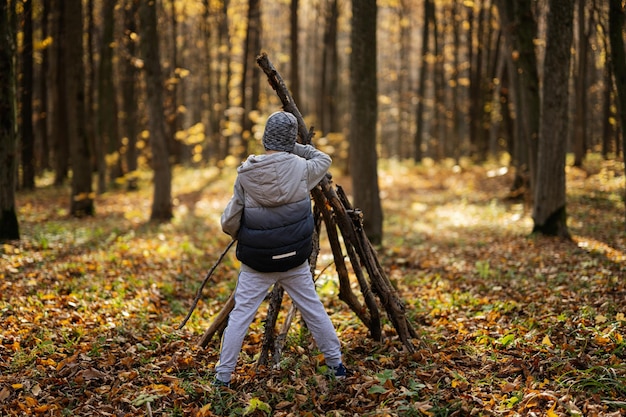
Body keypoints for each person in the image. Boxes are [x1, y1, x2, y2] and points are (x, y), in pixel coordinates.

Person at [213, 111, 347, 388]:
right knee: (313, 309)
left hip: (257, 261)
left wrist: (241, 233)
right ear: (290, 141)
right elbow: (324, 159)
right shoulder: (302, 170)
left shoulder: (246, 174)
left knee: (241, 316)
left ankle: (222, 378)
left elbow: (229, 220)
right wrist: (293, 147)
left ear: (265, 139)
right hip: (294, 260)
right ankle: (336, 365)